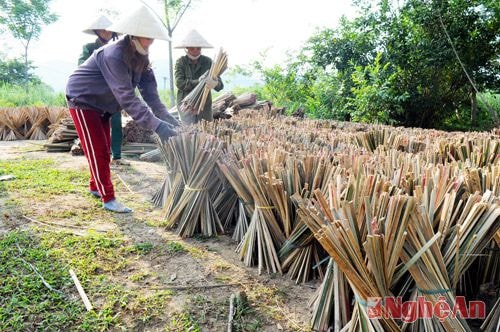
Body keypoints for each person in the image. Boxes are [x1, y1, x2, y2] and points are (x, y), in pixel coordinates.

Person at [66, 5, 179, 213]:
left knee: (105, 147)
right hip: (83, 99)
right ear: (135, 35)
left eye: (153, 38)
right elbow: (127, 97)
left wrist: (171, 122)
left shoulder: (142, 56)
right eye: (148, 37)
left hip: (105, 104)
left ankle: (95, 185)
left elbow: (152, 96)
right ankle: (108, 198)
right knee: (97, 149)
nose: (151, 42)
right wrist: (157, 126)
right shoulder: (114, 54)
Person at [79, 15, 129, 167]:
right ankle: (102, 156)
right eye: (103, 30)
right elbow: (81, 65)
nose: (106, 32)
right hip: (94, 94)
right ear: (97, 31)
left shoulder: (119, 48)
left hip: (113, 94)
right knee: (98, 125)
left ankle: (117, 155)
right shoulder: (89, 47)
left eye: (109, 30)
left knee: (116, 123)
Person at [174, 29, 224, 125]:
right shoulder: (181, 62)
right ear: (187, 48)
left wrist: (215, 83)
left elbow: (220, 86)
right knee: (189, 132)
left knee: (205, 132)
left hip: (204, 106)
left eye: (198, 48)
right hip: (187, 104)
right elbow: (180, 83)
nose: (195, 51)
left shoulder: (208, 62)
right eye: (192, 48)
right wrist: (199, 82)